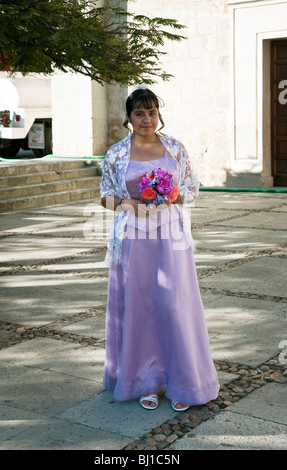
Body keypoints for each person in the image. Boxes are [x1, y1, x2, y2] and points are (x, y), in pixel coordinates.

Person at [100, 87, 219, 411]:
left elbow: (193, 188)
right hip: (133, 238)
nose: (146, 119)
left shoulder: (175, 148)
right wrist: (130, 204)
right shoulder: (116, 154)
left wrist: (171, 195)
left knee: (173, 303)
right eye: (139, 113)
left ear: (158, 116)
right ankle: (144, 381)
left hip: (171, 237)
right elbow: (106, 196)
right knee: (141, 306)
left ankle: (184, 381)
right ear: (129, 117)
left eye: (151, 112)